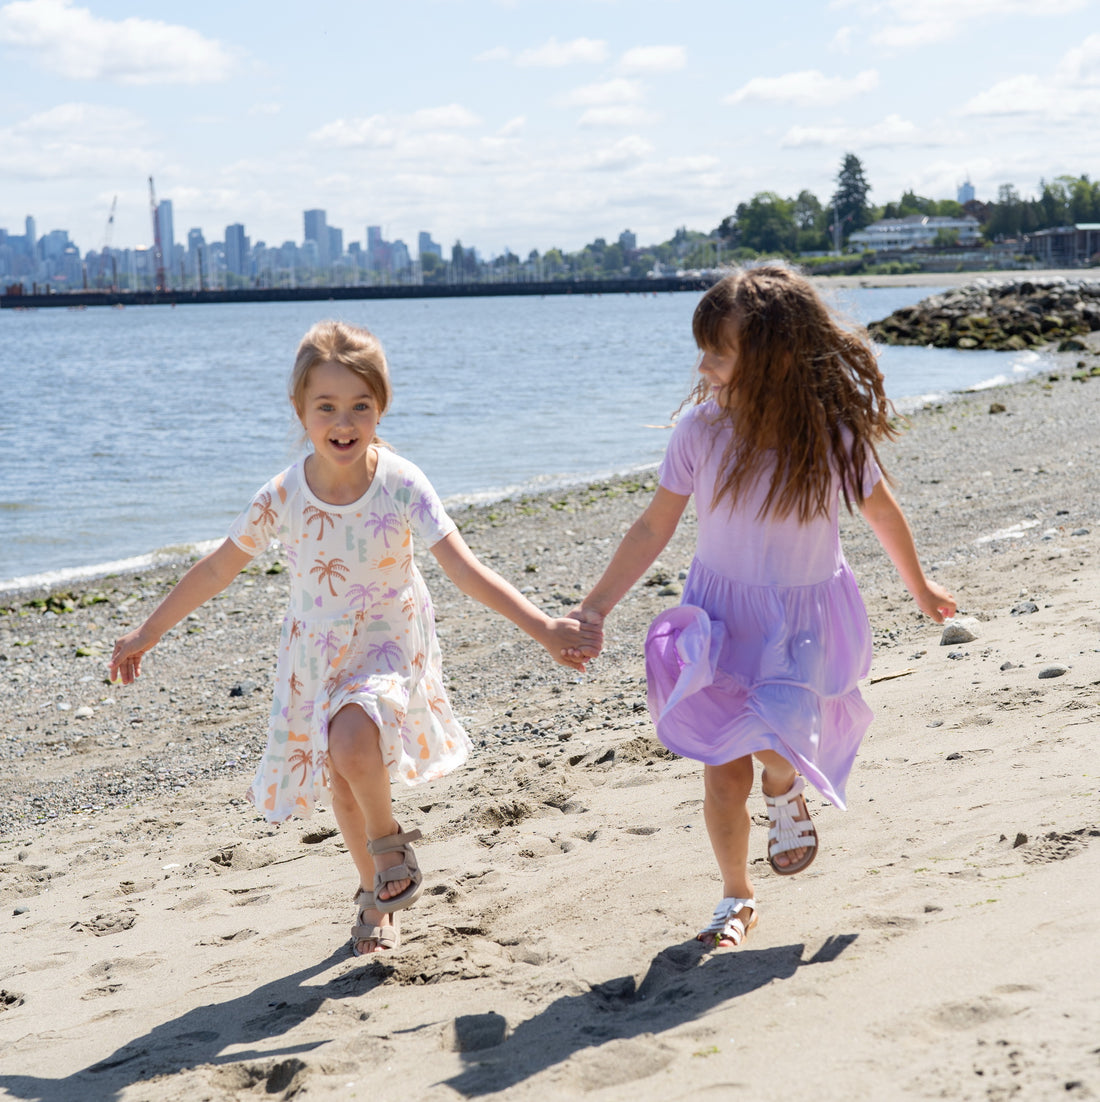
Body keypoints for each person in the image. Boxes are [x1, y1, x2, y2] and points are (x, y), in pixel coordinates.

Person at [110, 320, 600, 957]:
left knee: (351, 739)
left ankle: (389, 843)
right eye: (327, 407)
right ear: (300, 410)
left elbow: (462, 567)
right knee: (343, 776)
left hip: (389, 640)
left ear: (381, 407)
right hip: (314, 654)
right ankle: (376, 899)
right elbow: (216, 568)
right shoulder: (283, 495)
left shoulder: (400, 482)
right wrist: (148, 631)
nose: (344, 422)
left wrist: (542, 628)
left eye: (360, 406)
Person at [568, 264, 955, 949]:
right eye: (704, 346)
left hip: (803, 624)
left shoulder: (830, 437)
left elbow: (882, 512)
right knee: (722, 769)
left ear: (775, 358)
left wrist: (918, 586)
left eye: (720, 349)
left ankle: (785, 790)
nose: (705, 362)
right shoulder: (700, 432)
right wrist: (595, 606)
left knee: (778, 746)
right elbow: (653, 526)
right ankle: (734, 896)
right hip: (721, 623)